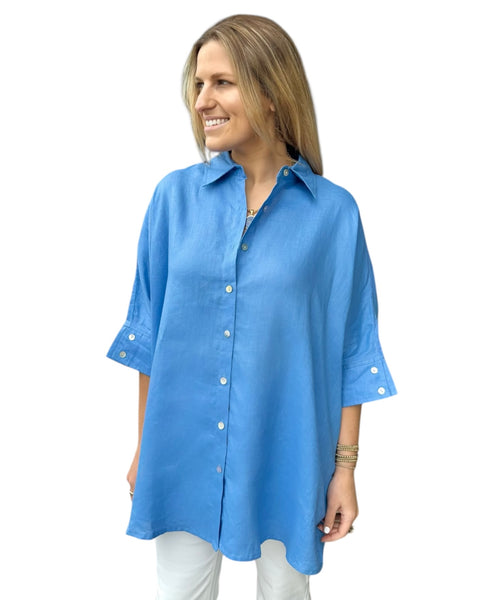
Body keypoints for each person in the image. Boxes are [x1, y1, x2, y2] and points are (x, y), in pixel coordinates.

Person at [107, 14, 397, 600]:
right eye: (198, 84)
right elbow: (149, 338)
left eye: (222, 83)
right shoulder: (173, 200)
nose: (202, 101)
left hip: (288, 453)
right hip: (181, 452)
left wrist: (344, 470)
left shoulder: (333, 214)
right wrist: (145, 446)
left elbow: (352, 351)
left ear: (270, 91)